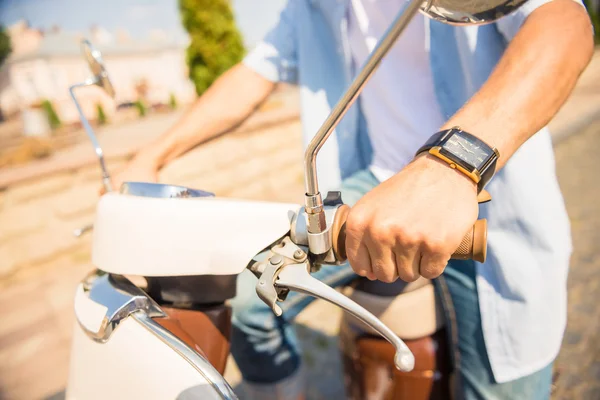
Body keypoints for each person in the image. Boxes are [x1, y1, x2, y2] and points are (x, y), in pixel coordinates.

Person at [108, 0, 593, 398]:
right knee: (249, 300)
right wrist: (149, 157)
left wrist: (453, 162)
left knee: (502, 386)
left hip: (488, 194)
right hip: (372, 188)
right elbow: (252, 74)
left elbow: (565, 23)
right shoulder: (311, 7)